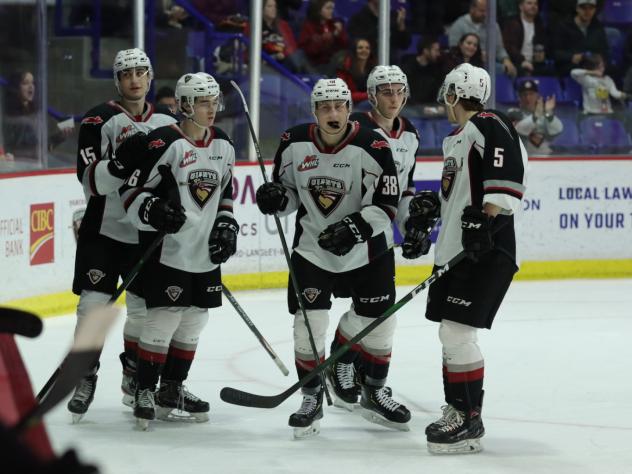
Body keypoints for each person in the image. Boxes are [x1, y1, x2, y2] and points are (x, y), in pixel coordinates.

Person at [255, 78, 409, 438]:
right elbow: (290, 195)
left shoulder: (373, 144)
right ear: (314, 111)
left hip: (369, 250)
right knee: (308, 326)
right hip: (312, 251)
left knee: (381, 324)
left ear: (349, 109)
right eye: (325, 107)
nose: (333, 113)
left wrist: (354, 228)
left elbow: (385, 205)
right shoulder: (294, 143)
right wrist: (277, 200)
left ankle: (374, 390)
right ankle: (311, 397)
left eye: (339, 106)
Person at [409, 63, 527, 453]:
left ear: (453, 94)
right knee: (450, 332)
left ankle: (468, 418)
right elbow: (461, 197)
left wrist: (485, 221)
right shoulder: (458, 137)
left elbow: (505, 180)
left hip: (485, 251)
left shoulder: (489, 123)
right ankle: (457, 410)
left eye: (447, 93)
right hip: (458, 251)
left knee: (457, 333)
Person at [119, 72, 237, 429]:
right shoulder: (163, 142)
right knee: (165, 316)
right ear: (185, 105)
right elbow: (131, 192)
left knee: (194, 319)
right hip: (166, 248)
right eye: (203, 102)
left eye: (214, 101)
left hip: (203, 251)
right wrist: (152, 210)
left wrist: (227, 226)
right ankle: (143, 389)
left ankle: (171, 389)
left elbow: (226, 194)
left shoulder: (224, 145)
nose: (211, 109)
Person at [67, 48, 177, 422]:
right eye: (126, 73)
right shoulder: (99, 118)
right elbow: (91, 182)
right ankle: (86, 376)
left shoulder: (166, 121)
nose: (134, 80)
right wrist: (117, 163)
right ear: (117, 80)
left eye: (140, 72)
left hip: (145, 232)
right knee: (91, 307)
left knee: (144, 311)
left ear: (150, 77)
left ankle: (134, 376)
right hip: (104, 229)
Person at [325, 66, 425, 411]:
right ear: (371, 96)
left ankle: (370, 381)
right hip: (350, 231)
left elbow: (406, 190)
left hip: (381, 234)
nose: (394, 97)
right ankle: (343, 361)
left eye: (399, 90)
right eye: (386, 91)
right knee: (370, 309)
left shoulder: (410, 133)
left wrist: (413, 223)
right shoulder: (357, 130)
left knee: (382, 311)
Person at [2, 70, 73, 162]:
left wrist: (60, 136)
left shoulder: (37, 113)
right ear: (16, 88)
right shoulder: (10, 117)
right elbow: (10, 150)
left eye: (32, 83)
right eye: (25, 83)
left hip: (36, 163)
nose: (31, 86)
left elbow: (42, 148)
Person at [447, 0, 517, 77]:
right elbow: (453, 50)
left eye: (487, 11)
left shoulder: (493, 25)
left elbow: (499, 48)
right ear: (472, 9)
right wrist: (476, 54)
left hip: (489, 63)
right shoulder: (459, 25)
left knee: (510, 70)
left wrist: (505, 60)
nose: (485, 14)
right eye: (481, 11)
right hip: (465, 63)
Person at [551, 0, 609, 76]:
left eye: (591, 8)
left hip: (593, 66)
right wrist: (571, 57)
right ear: (577, 8)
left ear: (595, 10)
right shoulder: (563, 26)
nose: (587, 11)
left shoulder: (598, 28)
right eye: (584, 8)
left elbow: (604, 51)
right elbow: (555, 53)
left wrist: (601, 62)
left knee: (612, 70)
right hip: (571, 67)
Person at [507, 79, 564, 155]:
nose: (528, 98)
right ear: (519, 97)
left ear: (537, 95)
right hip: (523, 158)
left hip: (547, 158)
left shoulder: (546, 114)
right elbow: (519, 129)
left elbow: (557, 130)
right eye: (524, 94)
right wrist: (536, 116)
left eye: (531, 94)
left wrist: (548, 114)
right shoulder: (513, 113)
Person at [298, 0, 349, 76]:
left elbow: (345, 45)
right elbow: (310, 50)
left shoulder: (333, 24)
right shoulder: (308, 26)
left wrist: (339, 33)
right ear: (318, 10)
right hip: (315, 65)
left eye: (332, 8)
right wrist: (330, 36)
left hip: (332, 63)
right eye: (328, 8)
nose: (331, 11)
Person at [501, 0, 548, 77]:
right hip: (517, 62)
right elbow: (509, 47)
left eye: (535, 4)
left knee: (550, 73)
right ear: (521, 6)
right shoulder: (512, 24)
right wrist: (522, 61)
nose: (533, 6)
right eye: (529, 3)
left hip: (535, 63)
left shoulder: (539, 24)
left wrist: (541, 54)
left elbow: (543, 44)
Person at [401, 36, 444, 107]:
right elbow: (405, 94)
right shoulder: (408, 68)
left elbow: (437, 93)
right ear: (426, 51)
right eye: (436, 50)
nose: (438, 54)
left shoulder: (437, 69)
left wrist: (437, 106)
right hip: (411, 108)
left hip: (430, 108)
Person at [336, 38, 376, 104]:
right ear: (354, 50)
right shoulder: (344, 68)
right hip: (350, 105)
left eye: (367, 48)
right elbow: (344, 94)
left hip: (367, 101)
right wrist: (368, 95)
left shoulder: (372, 68)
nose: (364, 50)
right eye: (360, 48)